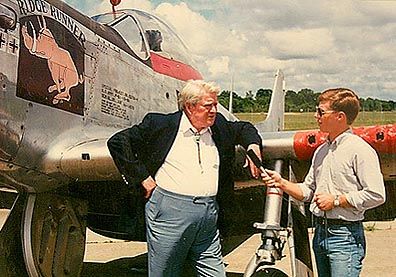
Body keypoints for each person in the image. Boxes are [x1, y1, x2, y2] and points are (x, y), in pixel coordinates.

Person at [107, 79, 262, 277]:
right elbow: (118, 142)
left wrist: (252, 145)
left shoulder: (219, 126)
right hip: (169, 213)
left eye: (215, 104)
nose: (214, 110)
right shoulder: (160, 125)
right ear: (189, 106)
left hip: (208, 216)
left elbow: (244, 128)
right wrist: (142, 178)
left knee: (215, 274)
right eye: (208, 106)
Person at [262, 88, 385, 277]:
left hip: (345, 237)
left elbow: (376, 195)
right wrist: (281, 183)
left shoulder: (360, 150)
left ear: (340, 117)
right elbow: (308, 191)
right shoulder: (321, 151)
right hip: (320, 234)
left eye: (321, 112)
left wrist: (336, 201)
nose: (315, 116)